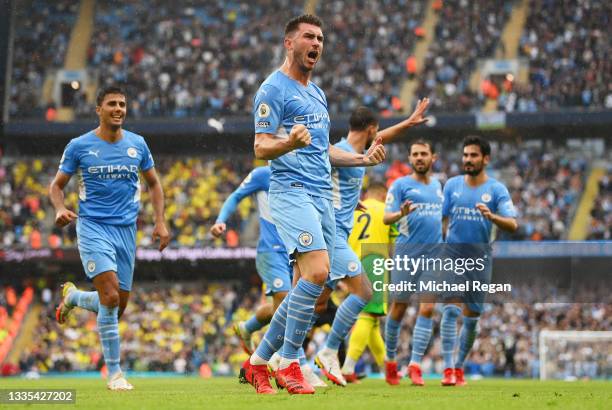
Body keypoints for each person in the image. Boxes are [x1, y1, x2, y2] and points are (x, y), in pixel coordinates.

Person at [240, 14, 386, 395]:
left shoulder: (318, 94)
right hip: (291, 191)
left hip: (323, 198)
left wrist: (362, 160)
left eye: (320, 38)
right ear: (290, 43)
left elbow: (325, 153)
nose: (316, 43)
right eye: (308, 36)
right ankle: (290, 360)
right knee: (317, 274)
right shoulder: (273, 89)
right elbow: (260, 146)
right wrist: (289, 142)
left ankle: (257, 363)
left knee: (311, 282)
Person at [50, 85, 170, 390]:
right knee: (111, 297)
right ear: (99, 110)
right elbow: (56, 185)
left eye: (122, 104)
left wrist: (160, 222)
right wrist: (60, 207)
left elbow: (154, 185)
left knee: (118, 305)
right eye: (112, 104)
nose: (118, 109)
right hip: (92, 227)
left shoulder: (138, 144)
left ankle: (74, 297)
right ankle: (115, 374)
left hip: (126, 231)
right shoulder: (79, 146)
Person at [313, 101, 429, 386]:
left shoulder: (348, 148)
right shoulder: (344, 153)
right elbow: (329, 165)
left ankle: (278, 356)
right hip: (333, 235)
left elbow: (380, 140)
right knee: (364, 293)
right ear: (371, 128)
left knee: (313, 303)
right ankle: (328, 352)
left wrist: (408, 123)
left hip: (337, 232)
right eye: (376, 132)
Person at [210, 165, 326, 387]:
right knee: (286, 298)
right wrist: (220, 220)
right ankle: (298, 364)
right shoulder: (263, 174)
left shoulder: (302, 170)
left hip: (295, 248)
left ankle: (249, 327)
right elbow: (236, 195)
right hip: (270, 251)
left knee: (284, 305)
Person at [440, 136, 518, 386]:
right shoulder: (452, 185)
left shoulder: (497, 190)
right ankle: (448, 369)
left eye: (473, 155)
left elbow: (513, 224)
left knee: (472, 318)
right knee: (451, 310)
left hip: (480, 260)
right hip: (452, 256)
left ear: (486, 159)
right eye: (465, 155)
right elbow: (442, 219)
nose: (468, 160)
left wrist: (492, 216)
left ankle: (459, 366)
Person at [382, 139, 443, 386]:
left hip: (435, 255)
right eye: (415, 154)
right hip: (406, 255)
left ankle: (415, 364)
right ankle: (390, 361)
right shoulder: (399, 186)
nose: (419, 157)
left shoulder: (440, 186)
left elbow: (443, 218)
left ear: (433, 157)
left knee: (427, 308)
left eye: (423, 154)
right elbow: (387, 218)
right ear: (409, 159)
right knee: (398, 308)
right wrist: (401, 214)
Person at [339, 182, 398, 382]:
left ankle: (387, 368)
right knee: (368, 316)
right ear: (383, 195)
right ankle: (347, 368)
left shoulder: (354, 210)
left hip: (352, 262)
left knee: (371, 321)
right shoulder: (386, 211)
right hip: (374, 261)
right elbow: (392, 246)